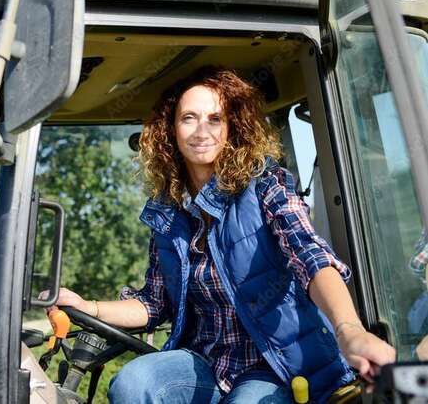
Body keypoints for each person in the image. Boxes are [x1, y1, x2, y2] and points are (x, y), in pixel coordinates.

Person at [48, 66, 396, 403]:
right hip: (208, 363)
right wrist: (86, 306)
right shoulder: (169, 213)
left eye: (215, 119)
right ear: (170, 130)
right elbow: (154, 304)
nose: (202, 130)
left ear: (233, 128)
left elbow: (311, 258)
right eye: (189, 118)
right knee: (134, 382)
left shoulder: (266, 187)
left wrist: (349, 329)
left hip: (275, 365)